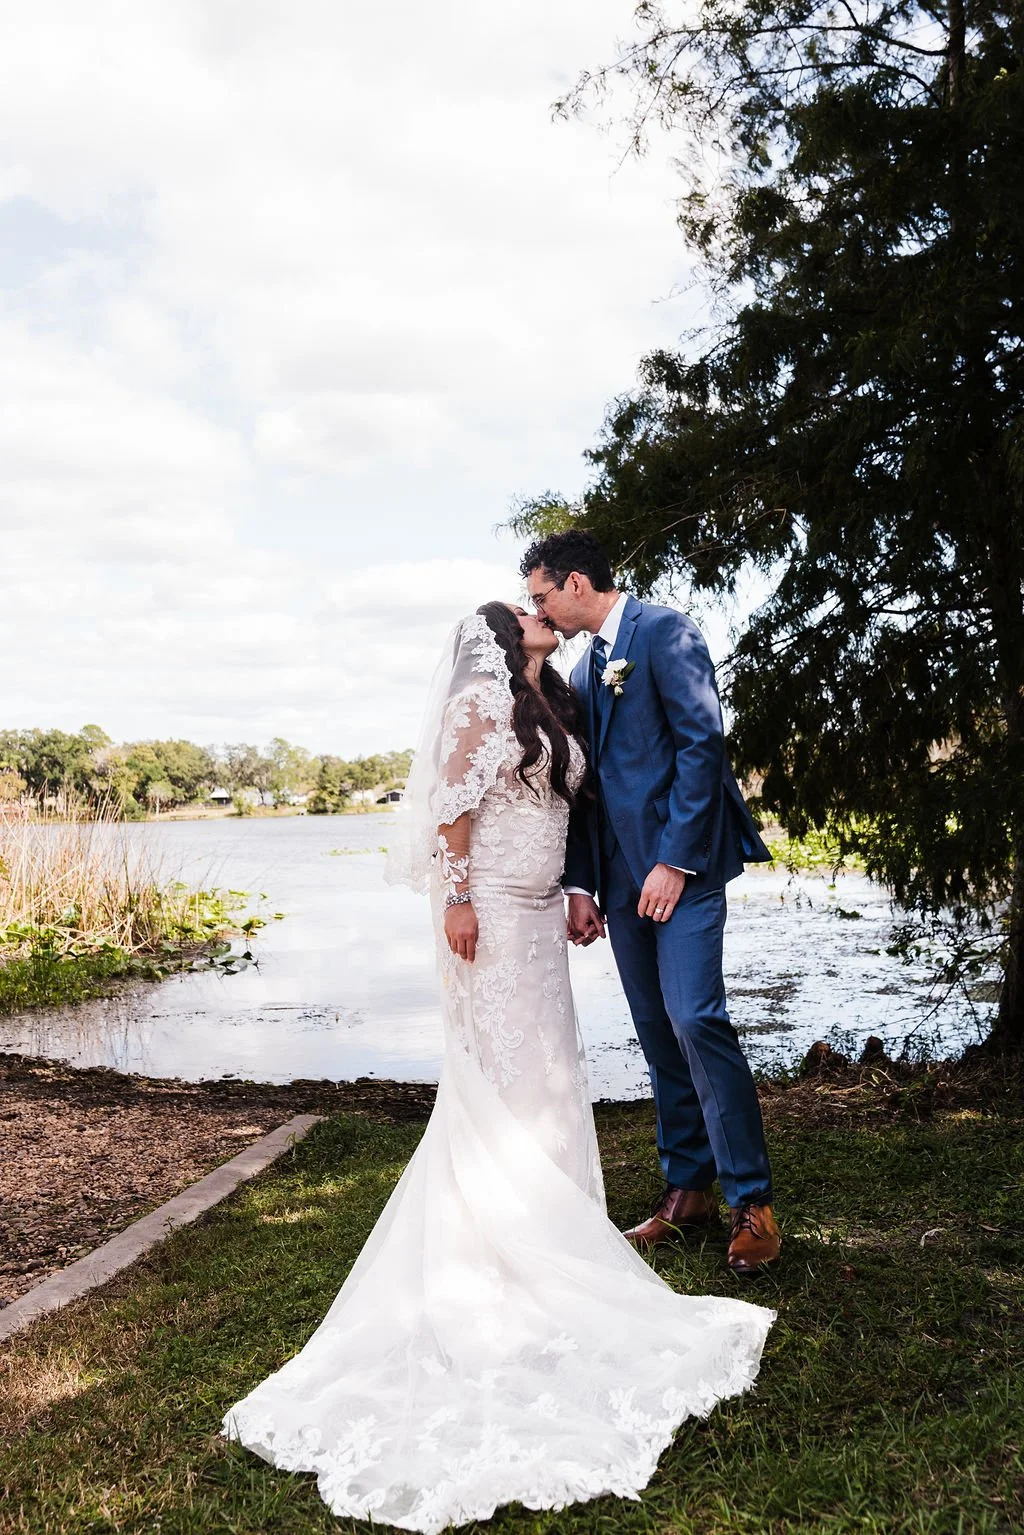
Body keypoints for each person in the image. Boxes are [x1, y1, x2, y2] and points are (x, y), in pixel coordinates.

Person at [220, 600, 774, 1532]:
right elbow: (452, 804)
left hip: (538, 913)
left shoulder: (553, 695)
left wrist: (571, 887)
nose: (538, 611)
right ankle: (503, 1252)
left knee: (551, 1072)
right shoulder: (478, 700)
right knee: (499, 1082)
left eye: (541, 595)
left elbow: (591, 798)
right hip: (486, 913)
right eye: (524, 607)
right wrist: (461, 898)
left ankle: (564, 1229)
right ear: (497, 633)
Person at [521, 530, 782, 1276]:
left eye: (542, 594)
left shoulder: (664, 632)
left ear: (575, 582)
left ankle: (753, 1201)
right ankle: (687, 1186)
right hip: (620, 883)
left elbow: (703, 745)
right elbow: (584, 791)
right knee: (655, 1030)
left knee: (696, 1017)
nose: (540, 607)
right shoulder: (581, 665)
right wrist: (581, 885)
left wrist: (673, 859)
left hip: (684, 870)